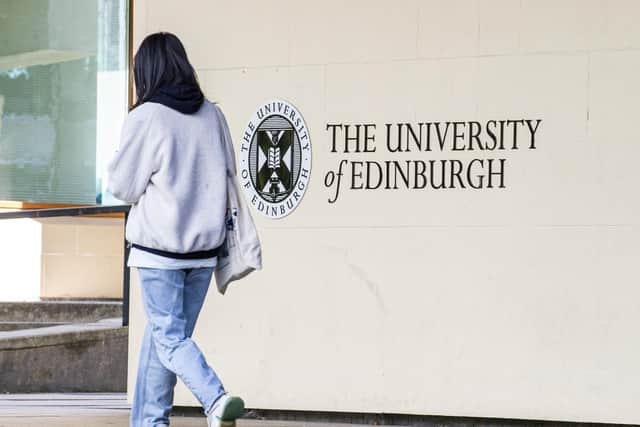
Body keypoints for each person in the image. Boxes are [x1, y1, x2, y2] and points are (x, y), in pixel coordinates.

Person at [107, 32, 243, 427]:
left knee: (169, 338)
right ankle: (150, 422)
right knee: (162, 340)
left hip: (160, 253)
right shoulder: (212, 115)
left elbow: (123, 186)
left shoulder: (146, 117)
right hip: (203, 255)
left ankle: (216, 399)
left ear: (145, 72)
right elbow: (227, 175)